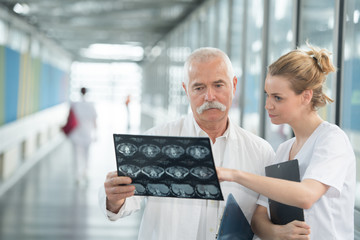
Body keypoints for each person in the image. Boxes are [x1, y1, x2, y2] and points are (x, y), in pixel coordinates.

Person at [98, 47, 275, 240]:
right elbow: (124, 203)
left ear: (233, 85)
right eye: (199, 88)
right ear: (186, 90)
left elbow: (266, 218)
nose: (210, 96)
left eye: (218, 85)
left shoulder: (261, 152)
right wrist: (114, 197)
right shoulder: (157, 142)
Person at [217, 43, 356, 239]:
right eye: (267, 95)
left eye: (278, 98)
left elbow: (306, 196)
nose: (268, 105)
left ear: (306, 96)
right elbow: (259, 218)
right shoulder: (284, 150)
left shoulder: (332, 140)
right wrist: (277, 232)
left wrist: (235, 175)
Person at [69, 87, 97, 184]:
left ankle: (78, 175)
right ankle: (85, 171)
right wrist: (96, 133)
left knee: (77, 155)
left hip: (76, 134)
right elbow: (94, 120)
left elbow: (70, 118)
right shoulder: (91, 105)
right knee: (86, 154)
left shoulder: (75, 104)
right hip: (87, 133)